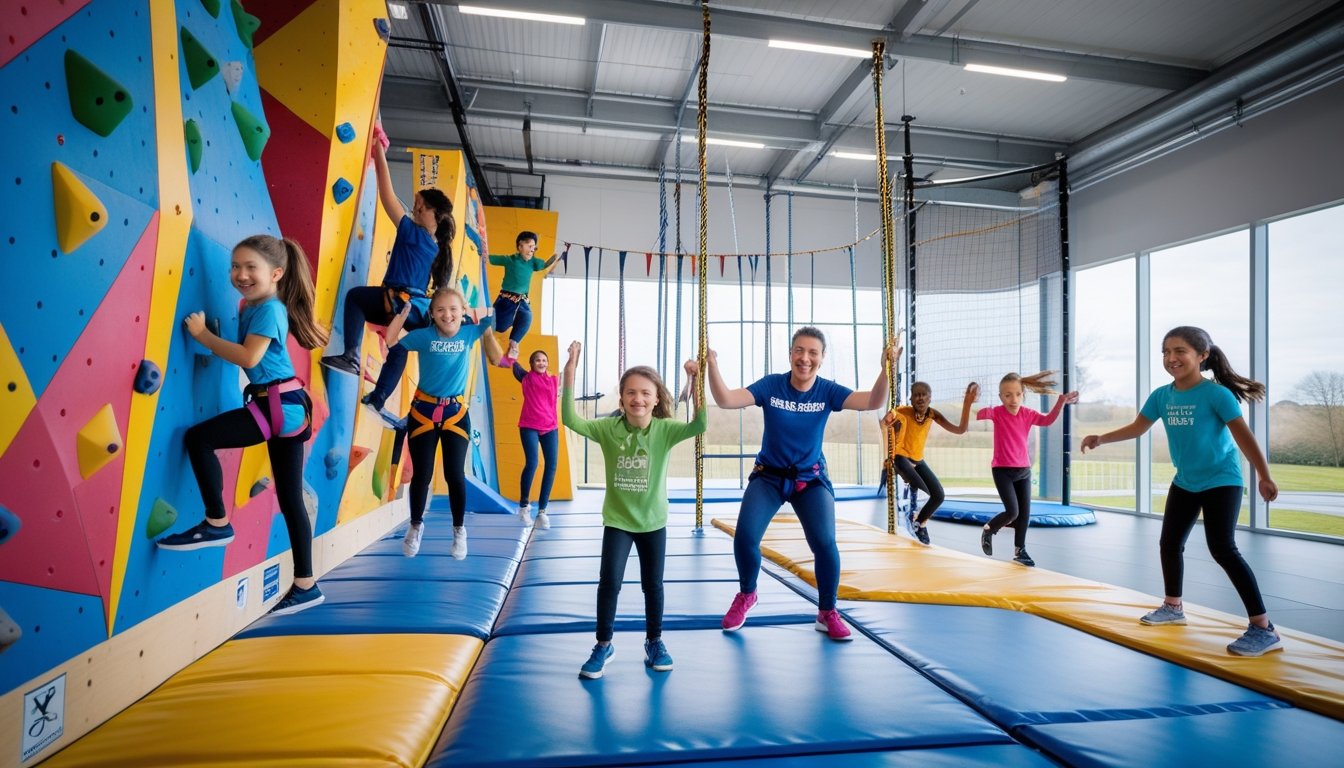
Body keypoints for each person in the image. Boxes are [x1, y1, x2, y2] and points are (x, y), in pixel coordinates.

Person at [1082, 326, 1282, 657]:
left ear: (1202, 356)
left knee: (1223, 548)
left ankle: (1263, 628)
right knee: (1170, 543)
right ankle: (1173, 608)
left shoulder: (1217, 395)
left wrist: (1264, 475)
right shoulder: (1162, 395)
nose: (1171, 358)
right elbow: (1138, 427)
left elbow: (1244, 437)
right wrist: (1101, 438)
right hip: (1186, 480)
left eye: (1180, 351)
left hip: (1222, 479)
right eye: (1165, 352)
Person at [158, 235, 329, 616]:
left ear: (276, 273)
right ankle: (306, 584)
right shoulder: (250, 306)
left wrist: (203, 336)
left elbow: (249, 355)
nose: (241, 274)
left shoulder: (269, 309)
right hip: (287, 405)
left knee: (199, 438)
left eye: (251, 267)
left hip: (277, 404)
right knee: (289, 497)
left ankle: (217, 521)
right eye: (235, 266)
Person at [708, 327, 898, 641]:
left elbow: (873, 401)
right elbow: (727, 400)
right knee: (745, 537)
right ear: (790, 354)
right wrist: (712, 365)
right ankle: (747, 594)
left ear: (821, 359)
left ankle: (827, 611)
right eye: (799, 351)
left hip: (810, 480)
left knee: (825, 543)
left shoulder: (827, 391)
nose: (805, 358)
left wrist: (885, 368)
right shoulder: (772, 385)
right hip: (769, 476)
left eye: (812, 353)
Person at [562, 342, 705, 679]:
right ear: (622, 398)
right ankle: (603, 644)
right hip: (618, 521)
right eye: (630, 393)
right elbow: (570, 419)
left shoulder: (665, 431)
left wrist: (695, 383)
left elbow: (699, 425)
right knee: (609, 582)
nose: (637, 399)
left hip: (653, 522)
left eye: (645, 393)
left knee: (652, 585)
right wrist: (570, 372)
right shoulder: (608, 429)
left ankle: (654, 641)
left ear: (656, 400)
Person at [321, 122, 455, 420]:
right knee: (399, 349)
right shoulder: (435, 246)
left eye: (418, 206)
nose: (414, 210)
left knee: (356, 297)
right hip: (415, 309)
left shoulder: (412, 231)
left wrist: (379, 150)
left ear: (429, 213)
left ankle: (351, 355)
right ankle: (378, 400)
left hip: (396, 302)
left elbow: (386, 195)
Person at [381, 288, 502, 558]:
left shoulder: (471, 333)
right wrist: (403, 313)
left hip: (456, 413)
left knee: (454, 475)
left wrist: (486, 326)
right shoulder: (423, 337)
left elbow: (497, 357)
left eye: (453, 309)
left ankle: (459, 530)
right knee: (422, 476)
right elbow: (391, 340)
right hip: (423, 411)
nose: (447, 315)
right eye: (440, 310)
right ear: (433, 315)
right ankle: (416, 524)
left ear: (463, 312)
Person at [976, 372, 1079, 567]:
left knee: (1024, 514)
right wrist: (976, 402)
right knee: (1012, 512)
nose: (1013, 399)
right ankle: (990, 529)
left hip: (1023, 470)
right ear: (1001, 397)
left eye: (1017, 394)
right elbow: (980, 414)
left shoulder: (1028, 414)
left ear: (1023, 394)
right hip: (1002, 470)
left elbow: (1047, 420)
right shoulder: (998, 412)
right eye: (1007, 395)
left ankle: (1020, 550)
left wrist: (1061, 402)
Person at [880, 380, 979, 545]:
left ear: (930, 398)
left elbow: (960, 429)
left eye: (924, 395)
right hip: (900, 458)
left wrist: (967, 403)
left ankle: (920, 522)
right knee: (920, 487)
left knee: (938, 495)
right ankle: (911, 509)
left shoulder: (933, 414)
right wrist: (888, 422)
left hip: (917, 460)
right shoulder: (902, 411)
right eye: (916, 395)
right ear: (911, 399)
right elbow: (886, 423)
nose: (920, 398)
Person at [486, 231, 558, 365]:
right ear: (519, 247)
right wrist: (482, 252)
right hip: (507, 300)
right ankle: (486, 326)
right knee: (501, 326)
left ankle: (513, 346)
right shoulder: (510, 260)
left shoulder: (533, 263)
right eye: (529, 246)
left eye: (534, 247)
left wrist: (555, 260)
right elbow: (489, 258)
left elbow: (544, 264)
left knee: (527, 317)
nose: (532, 250)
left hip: (522, 301)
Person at [511, 350, 560, 529]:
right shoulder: (527, 378)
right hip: (529, 425)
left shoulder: (554, 380)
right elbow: (513, 365)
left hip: (550, 427)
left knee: (551, 465)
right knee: (532, 463)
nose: (541, 363)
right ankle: (524, 506)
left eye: (544, 360)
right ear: (532, 364)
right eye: (538, 360)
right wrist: (513, 351)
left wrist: (573, 359)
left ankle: (542, 511)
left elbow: (569, 374)